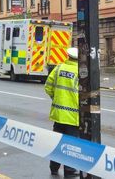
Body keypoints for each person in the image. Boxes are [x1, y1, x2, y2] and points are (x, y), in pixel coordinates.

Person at [44, 47, 80, 178]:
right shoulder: (80, 72)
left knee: (57, 142)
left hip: (58, 114)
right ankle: (69, 169)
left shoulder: (59, 68)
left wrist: (56, 98)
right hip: (72, 116)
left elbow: (48, 87)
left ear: (68, 56)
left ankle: (54, 167)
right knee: (70, 143)